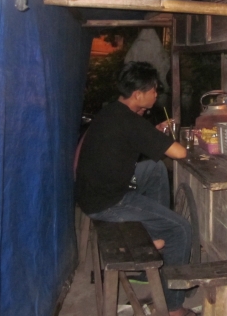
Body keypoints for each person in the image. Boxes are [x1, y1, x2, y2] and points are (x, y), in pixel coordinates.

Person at [75, 61, 196, 316]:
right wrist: (172, 139)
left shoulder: (113, 112)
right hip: (108, 201)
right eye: (153, 89)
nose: (156, 93)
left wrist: (154, 133)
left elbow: (130, 137)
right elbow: (180, 152)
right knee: (181, 229)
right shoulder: (131, 122)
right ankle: (174, 307)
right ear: (138, 94)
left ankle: (153, 242)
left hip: (94, 190)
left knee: (154, 169)